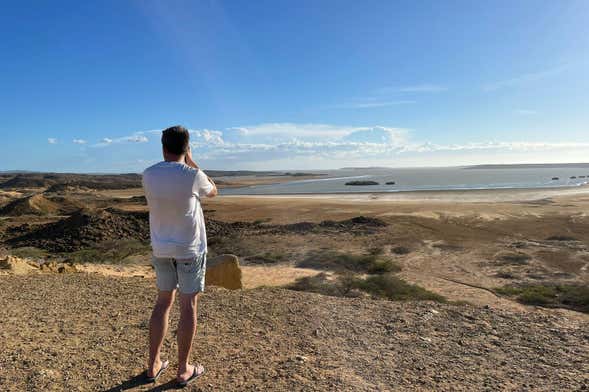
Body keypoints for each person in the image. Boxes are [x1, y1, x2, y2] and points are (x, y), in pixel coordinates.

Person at [141, 125, 218, 387]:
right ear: (186, 148)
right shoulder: (193, 175)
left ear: (163, 147)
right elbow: (214, 191)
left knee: (163, 303)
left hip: (161, 249)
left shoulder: (148, 175)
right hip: (189, 250)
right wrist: (192, 159)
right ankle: (183, 369)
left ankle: (153, 364)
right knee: (188, 307)